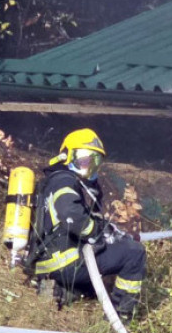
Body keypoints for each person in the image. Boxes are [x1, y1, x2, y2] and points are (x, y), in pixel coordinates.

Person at [30, 128, 147, 320]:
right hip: (66, 261)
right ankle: (121, 315)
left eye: (94, 162)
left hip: (49, 263)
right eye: (83, 160)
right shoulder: (64, 180)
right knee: (135, 253)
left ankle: (62, 291)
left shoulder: (53, 182)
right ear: (66, 156)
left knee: (100, 283)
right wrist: (96, 233)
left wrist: (110, 233)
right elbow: (71, 215)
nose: (88, 167)